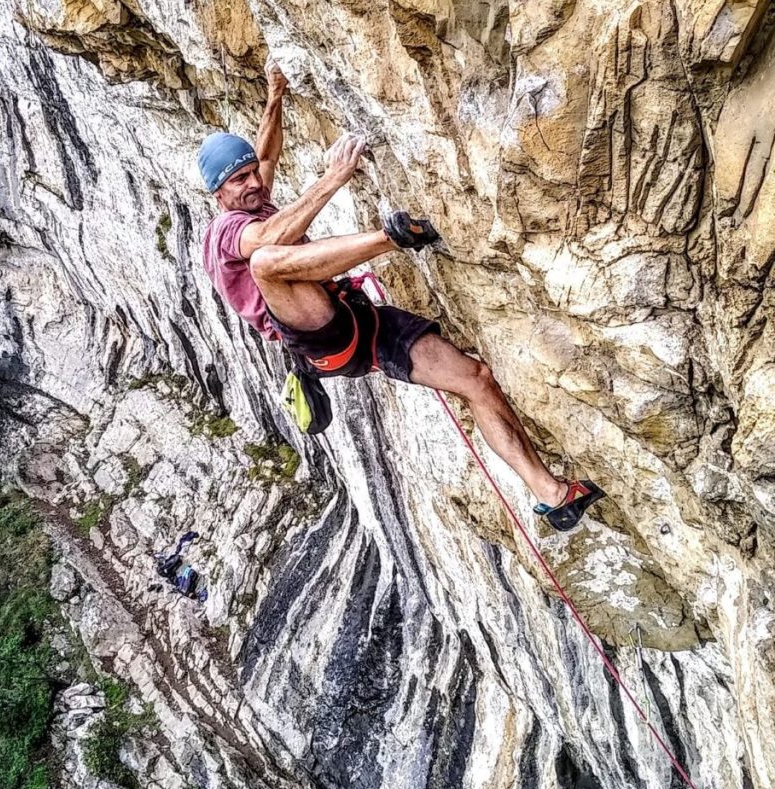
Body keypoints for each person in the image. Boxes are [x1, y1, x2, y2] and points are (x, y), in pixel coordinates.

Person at [198, 59, 604, 531]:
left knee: (475, 378)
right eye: (238, 182)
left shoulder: (252, 190)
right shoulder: (228, 231)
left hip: (360, 326)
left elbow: (265, 155)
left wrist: (276, 95)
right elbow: (267, 239)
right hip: (318, 337)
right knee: (267, 260)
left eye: (250, 175)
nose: (252, 184)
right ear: (218, 195)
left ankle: (554, 495)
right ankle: (394, 238)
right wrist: (334, 177)